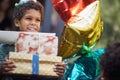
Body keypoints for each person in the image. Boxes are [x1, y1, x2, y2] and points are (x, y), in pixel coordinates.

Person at [0, 0, 65, 80]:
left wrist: (59, 72)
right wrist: (2, 69)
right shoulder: (5, 47)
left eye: (38, 20)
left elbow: (51, 74)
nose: (33, 23)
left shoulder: (48, 47)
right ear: (17, 22)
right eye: (28, 18)